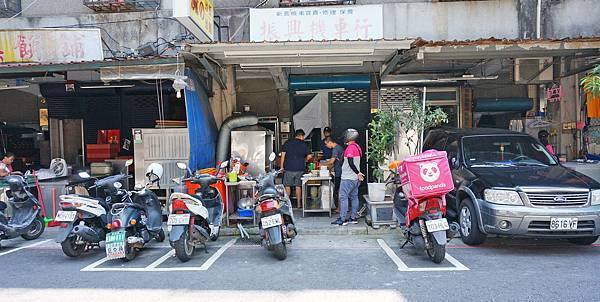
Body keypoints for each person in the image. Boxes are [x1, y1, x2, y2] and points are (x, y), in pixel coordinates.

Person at [332, 129, 364, 226]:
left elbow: (350, 163)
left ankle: (342, 219)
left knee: (343, 197)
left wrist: (358, 172)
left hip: (348, 178)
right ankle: (353, 218)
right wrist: (358, 174)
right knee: (354, 197)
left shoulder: (350, 148)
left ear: (349, 137)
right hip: (355, 179)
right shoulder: (357, 147)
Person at [280, 129, 313, 208]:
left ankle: (288, 204)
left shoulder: (287, 143)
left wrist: (281, 166)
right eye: (303, 136)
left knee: (287, 186)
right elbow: (309, 156)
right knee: (298, 186)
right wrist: (304, 160)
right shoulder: (303, 144)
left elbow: (283, 155)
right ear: (301, 136)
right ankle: (299, 204)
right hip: (300, 168)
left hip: (288, 168)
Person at [323, 136, 344, 213]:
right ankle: (341, 207)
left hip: (339, 172)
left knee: (338, 190)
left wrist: (322, 164)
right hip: (340, 171)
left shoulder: (335, 149)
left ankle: (339, 208)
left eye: (326, 144)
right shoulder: (339, 148)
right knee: (339, 190)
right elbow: (334, 162)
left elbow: (331, 161)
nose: (326, 146)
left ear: (330, 142)